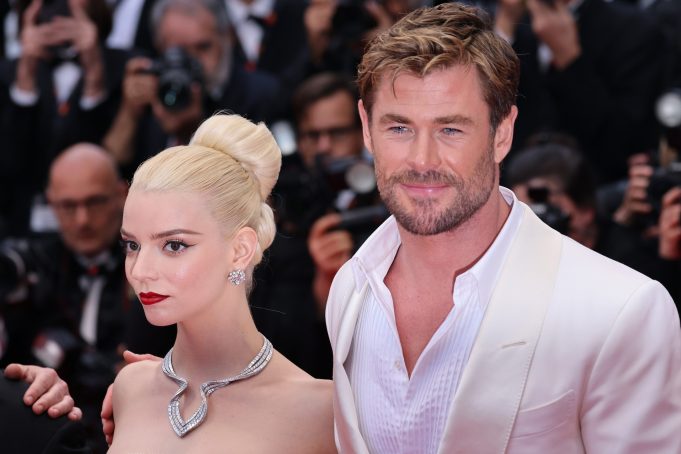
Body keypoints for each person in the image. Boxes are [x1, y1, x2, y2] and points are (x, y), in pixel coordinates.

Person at [325, 3, 681, 453]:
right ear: (366, 129)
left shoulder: (621, 311)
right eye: (399, 128)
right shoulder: (351, 289)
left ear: (502, 134)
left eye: (450, 129)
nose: (422, 160)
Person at [107, 114, 334, 452]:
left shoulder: (321, 410)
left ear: (240, 250)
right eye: (132, 245)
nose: (140, 270)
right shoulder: (129, 387)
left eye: (174, 245)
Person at [0, 143, 173, 453]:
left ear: (123, 194)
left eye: (94, 202)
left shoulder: (162, 268)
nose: (82, 220)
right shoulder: (31, 267)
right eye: (68, 206)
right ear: (50, 204)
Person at [101, 0, 284, 180]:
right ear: (159, 47)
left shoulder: (262, 95)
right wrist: (129, 113)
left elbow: (250, 189)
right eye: (178, 52)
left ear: (228, 37)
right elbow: (111, 170)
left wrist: (193, 130)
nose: (192, 62)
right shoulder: (154, 92)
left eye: (202, 48)